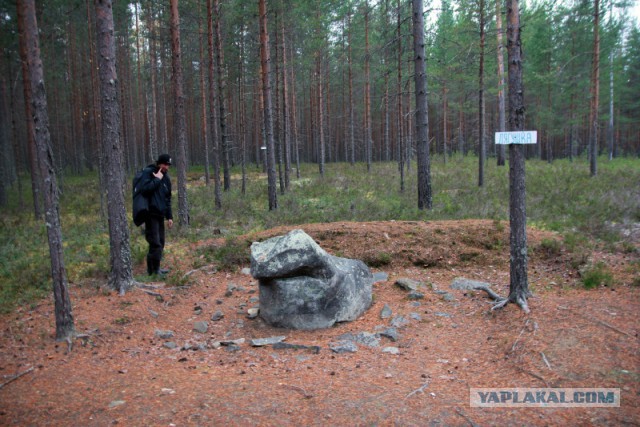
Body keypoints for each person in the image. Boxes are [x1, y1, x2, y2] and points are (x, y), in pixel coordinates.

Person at [138, 154, 174, 276]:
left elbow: (168, 198)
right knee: (155, 243)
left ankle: (156, 268)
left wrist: (169, 217)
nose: (166, 167)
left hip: (160, 215)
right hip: (150, 214)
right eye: (165, 164)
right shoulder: (149, 173)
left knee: (161, 242)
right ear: (159, 163)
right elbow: (144, 189)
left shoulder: (166, 179)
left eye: (168, 165)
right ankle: (152, 270)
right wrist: (157, 179)